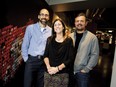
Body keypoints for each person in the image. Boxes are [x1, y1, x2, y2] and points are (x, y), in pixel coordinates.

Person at [21, 8, 52, 87]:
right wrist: (26, 60)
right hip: (31, 61)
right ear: (38, 16)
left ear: (48, 17)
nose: (44, 17)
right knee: (27, 84)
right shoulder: (30, 28)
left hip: (43, 62)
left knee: (40, 85)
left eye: (46, 15)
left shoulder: (51, 31)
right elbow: (25, 45)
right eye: (42, 14)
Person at [70, 13, 99, 87]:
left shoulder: (92, 38)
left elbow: (95, 55)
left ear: (86, 23)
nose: (79, 23)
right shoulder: (70, 36)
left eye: (81, 21)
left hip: (82, 73)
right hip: (69, 70)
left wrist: (86, 69)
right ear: (75, 23)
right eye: (77, 21)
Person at [43, 19, 74, 87]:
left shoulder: (68, 40)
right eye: (55, 25)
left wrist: (57, 69)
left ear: (63, 27)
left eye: (59, 24)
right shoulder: (49, 39)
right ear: (53, 28)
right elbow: (45, 55)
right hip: (49, 73)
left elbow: (70, 58)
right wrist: (49, 68)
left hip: (62, 74)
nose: (57, 26)